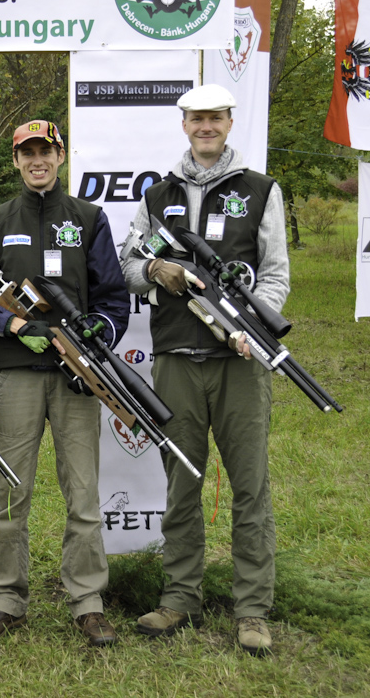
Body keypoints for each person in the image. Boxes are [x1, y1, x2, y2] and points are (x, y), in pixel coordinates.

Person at [119, 84, 289, 656]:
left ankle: (251, 611)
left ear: (230, 122)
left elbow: (275, 275)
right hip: (175, 357)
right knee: (181, 482)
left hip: (239, 361)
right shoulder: (157, 193)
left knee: (250, 488)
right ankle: (179, 598)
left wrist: (256, 330)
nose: (206, 126)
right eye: (197, 118)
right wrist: (158, 271)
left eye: (215, 117)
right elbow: (128, 263)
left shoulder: (262, 190)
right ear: (184, 124)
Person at [0, 120, 129, 647]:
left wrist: (100, 336)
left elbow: (113, 298)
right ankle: (6, 599)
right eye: (27, 153)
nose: (37, 161)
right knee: (12, 491)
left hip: (77, 379)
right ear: (15, 161)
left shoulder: (90, 219)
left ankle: (88, 601)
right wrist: (14, 325)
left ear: (61, 154)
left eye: (46, 151)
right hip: (18, 375)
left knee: (84, 494)